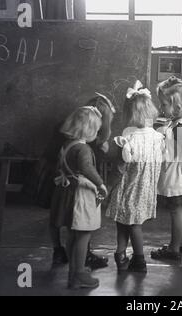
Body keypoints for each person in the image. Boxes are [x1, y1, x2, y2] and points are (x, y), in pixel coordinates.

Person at [25, 94, 115, 269]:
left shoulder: (71, 126)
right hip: (66, 180)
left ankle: (60, 251)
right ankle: (80, 258)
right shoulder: (87, 144)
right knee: (76, 221)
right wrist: (101, 181)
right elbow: (87, 167)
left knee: (57, 217)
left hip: (55, 175)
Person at [106, 81, 164, 273]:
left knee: (124, 222)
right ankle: (125, 255)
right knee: (133, 223)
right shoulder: (158, 137)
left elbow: (123, 163)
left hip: (128, 185)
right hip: (145, 186)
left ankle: (134, 258)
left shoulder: (128, 134)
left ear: (130, 114)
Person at [51, 106, 108, 289]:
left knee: (73, 235)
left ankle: (73, 273)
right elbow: (86, 168)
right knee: (84, 234)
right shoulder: (83, 149)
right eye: (96, 129)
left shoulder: (68, 144)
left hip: (68, 194)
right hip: (80, 195)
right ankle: (80, 274)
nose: (97, 132)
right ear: (89, 129)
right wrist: (100, 184)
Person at [151, 77, 182, 262]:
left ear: (178, 105)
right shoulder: (180, 123)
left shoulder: (180, 128)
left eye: (164, 104)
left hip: (177, 175)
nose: (161, 108)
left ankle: (173, 249)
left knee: (176, 212)